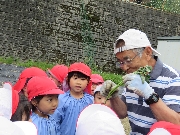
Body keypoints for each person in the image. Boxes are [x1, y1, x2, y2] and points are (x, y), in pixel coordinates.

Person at [100, 29, 180, 134]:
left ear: (147, 52)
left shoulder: (173, 78)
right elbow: (122, 113)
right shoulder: (134, 76)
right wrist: (114, 96)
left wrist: (149, 95)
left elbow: (175, 123)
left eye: (127, 60)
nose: (124, 67)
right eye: (120, 62)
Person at [53, 62, 94, 135]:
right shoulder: (61, 99)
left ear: (88, 82)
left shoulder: (90, 100)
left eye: (82, 79)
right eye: (75, 78)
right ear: (68, 79)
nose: (78, 82)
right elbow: (55, 120)